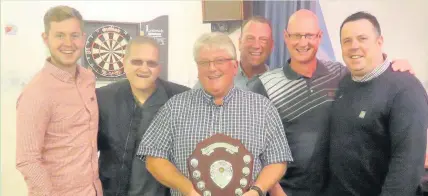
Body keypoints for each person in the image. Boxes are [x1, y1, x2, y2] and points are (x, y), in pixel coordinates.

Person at [249, 9, 414, 196]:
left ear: (319, 37)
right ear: (286, 37)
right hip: (289, 191)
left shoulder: (341, 75)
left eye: (309, 35)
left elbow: (368, 69)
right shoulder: (264, 85)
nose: (303, 42)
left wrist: (394, 66)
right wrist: (277, 192)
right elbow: (256, 149)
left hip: (337, 190)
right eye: (296, 35)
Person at [136, 32, 293, 196]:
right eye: (204, 62)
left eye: (220, 61)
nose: (212, 68)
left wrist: (256, 190)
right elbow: (153, 159)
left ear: (234, 66)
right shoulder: (174, 108)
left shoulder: (263, 108)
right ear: (197, 68)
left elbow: (278, 160)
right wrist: (187, 188)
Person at [326, 11, 428, 196]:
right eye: (347, 41)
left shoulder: (405, 88)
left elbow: (407, 166)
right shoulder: (345, 82)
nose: (354, 46)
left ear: (379, 42)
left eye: (362, 38)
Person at [16, 5, 102, 196]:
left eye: (74, 35)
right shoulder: (36, 93)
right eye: (60, 35)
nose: (68, 43)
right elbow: (27, 160)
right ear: (45, 39)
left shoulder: (88, 78)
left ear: (83, 38)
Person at [96, 36, 189, 196]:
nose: (144, 69)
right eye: (137, 62)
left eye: (151, 63)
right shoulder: (102, 99)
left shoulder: (181, 98)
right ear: (124, 62)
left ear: (159, 68)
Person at [194, 16, 273, 90]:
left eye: (263, 39)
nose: (256, 45)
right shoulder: (215, 76)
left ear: (272, 46)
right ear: (239, 43)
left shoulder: (277, 85)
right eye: (250, 38)